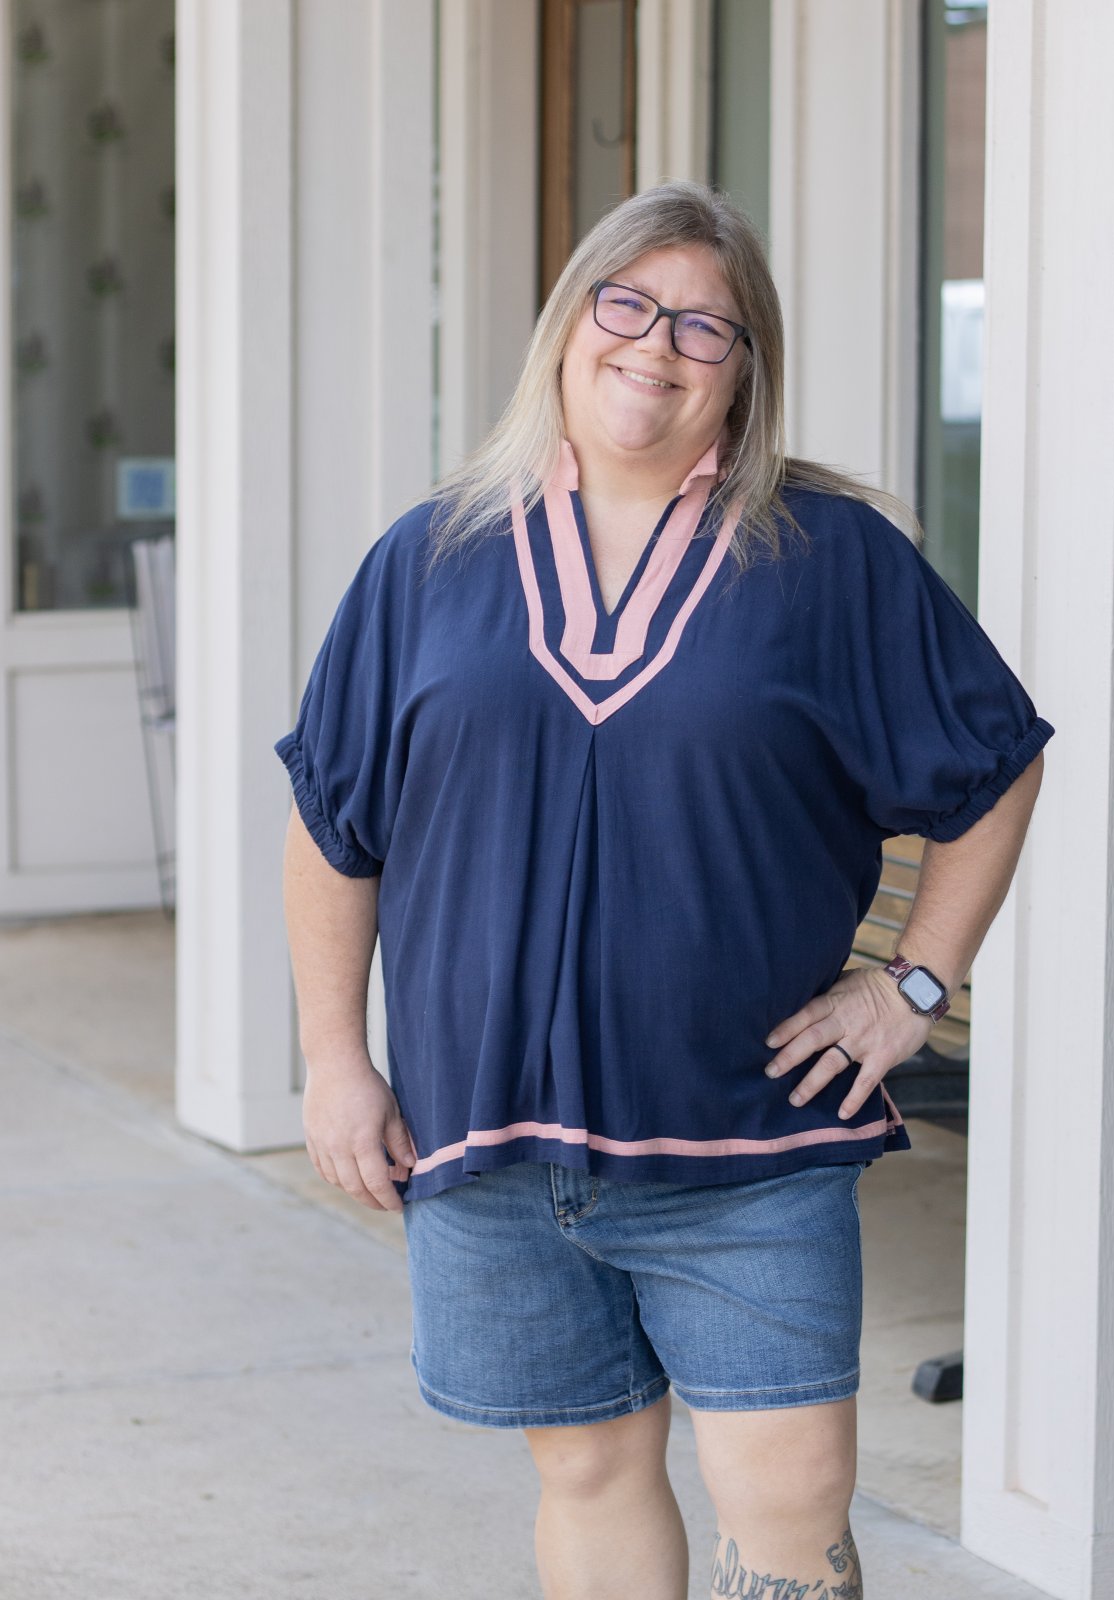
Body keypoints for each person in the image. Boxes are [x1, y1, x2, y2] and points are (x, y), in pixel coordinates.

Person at [274, 180, 1053, 1600]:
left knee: (790, 1505)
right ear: (568, 326)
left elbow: (995, 763)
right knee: (586, 1473)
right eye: (626, 303)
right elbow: (334, 824)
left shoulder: (828, 559)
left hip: (746, 1138)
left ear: (745, 371)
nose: (657, 345)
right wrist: (336, 1061)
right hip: (491, 1136)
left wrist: (914, 983)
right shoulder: (429, 559)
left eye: (706, 325)